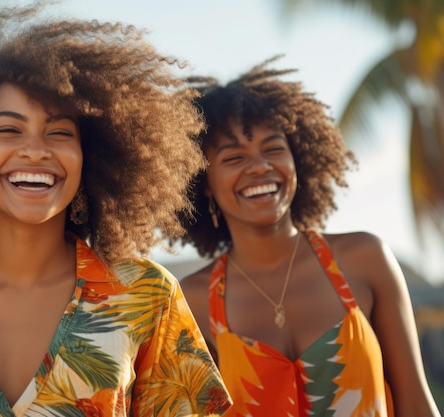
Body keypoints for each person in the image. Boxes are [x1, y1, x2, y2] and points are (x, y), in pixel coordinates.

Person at [0, 4, 232, 416]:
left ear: (91, 157)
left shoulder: (146, 294)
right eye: (9, 130)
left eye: (59, 132)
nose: (35, 150)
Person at [178, 56, 441, 416]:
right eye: (233, 158)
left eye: (273, 149)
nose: (259, 166)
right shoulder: (192, 303)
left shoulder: (364, 258)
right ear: (203, 183)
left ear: (297, 158)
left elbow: (416, 404)